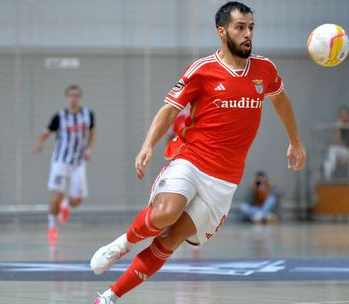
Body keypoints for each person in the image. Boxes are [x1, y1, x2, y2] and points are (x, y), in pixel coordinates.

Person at [90, 2, 306, 303]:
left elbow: (281, 100)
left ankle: (109, 297)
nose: (247, 34)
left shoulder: (264, 69)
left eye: (251, 28)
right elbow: (169, 109)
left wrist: (295, 141)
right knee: (166, 212)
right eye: (239, 27)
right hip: (191, 159)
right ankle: (121, 244)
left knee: (169, 240)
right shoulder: (203, 70)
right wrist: (147, 145)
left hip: (224, 181)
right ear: (222, 32)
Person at [33, 84, 95, 242]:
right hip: (61, 161)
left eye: (76, 95)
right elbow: (46, 132)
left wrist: (89, 149)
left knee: (78, 200)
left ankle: (66, 205)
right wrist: (39, 143)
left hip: (78, 162)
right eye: (70, 95)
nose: (73, 98)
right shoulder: (59, 116)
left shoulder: (88, 114)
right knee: (58, 193)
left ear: (79, 98)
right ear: (67, 98)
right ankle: (52, 226)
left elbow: (92, 133)